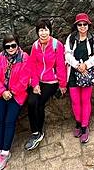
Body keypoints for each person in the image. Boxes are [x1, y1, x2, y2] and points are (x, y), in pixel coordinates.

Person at [24, 18, 67, 151]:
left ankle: (38, 132)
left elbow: (60, 65)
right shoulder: (35, 46)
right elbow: (32, 66)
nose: (43, 33)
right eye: (41, 30)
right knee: (31, 102)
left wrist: (62, 84)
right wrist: (35, 84)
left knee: (40, 103)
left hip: (51, 81)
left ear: (50, 31)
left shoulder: (56, 45)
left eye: (46, 29)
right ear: (37, 32)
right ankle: (35, 132)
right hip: (38, 80)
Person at [0, 33, 29, 170]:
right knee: (0, 122)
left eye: (14, 45)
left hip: (16, 95)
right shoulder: (0, 57)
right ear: (4, 47)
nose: (11, 48)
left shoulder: (24, 58)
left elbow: (24, 80)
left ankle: (5, 152)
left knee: (9, 122)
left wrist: (11, 92)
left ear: (17, 45)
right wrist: (3, 91)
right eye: (8, 46)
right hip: (2, 94)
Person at [65, 13, 94, 144]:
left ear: (88, 25)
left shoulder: (93, 39)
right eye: (79, 24)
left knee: (85, 100)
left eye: (84, 24)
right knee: (75, 101)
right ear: (76, 26)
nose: (82, 27)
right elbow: (67, 54)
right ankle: (78, 123)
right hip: (73, 74)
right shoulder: (71, 39)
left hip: (87, 74)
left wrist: (86, 65)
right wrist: (77, 65)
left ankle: (85, 127)